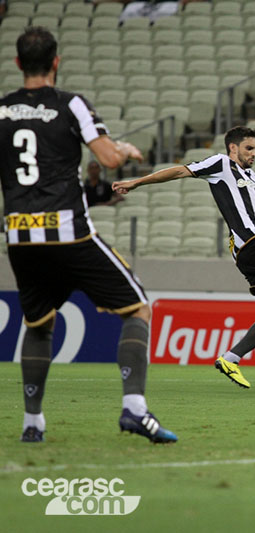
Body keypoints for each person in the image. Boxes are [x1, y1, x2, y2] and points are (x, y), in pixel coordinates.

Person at [0, 27, 176, 443]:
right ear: (56, 62)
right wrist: (126, 150)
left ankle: (32, 423)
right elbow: (109, 159)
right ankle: (134, 409)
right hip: (67, 232)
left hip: (20, 236)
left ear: (18, 63)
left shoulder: (1, 110)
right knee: (137, 308)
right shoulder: (70, 103)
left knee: (38, 323)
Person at [112, 126, 255, 389]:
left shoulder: (253, 177)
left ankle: (230, 359)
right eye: (249, 148)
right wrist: (137, 182)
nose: (254, 153)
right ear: (233, 148)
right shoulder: (221, 163)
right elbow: (180, 171)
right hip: (253, 242)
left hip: (247, 252)